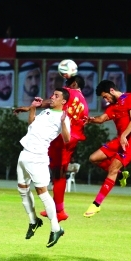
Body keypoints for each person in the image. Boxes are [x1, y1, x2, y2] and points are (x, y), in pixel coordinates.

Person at [13, 89, 70, 247]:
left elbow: (67, 139)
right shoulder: (46, 112)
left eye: (56, 96)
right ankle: (33, 220)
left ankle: (56, 228)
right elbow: (31, 124)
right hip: (25, 154)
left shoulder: (63, 117)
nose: (52, 97)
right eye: (53, 94)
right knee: (22, 189)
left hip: (37, 157)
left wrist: (64, 122)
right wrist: (33, 107)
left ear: (63, 102)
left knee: (42, 193)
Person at [84, 79, 131, 218]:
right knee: (93, 158)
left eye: (105, 96)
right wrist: (88, 119)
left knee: (112, 169)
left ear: (112, 91)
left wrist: (124, 135)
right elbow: (101, 119)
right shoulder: (113, 106)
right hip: (121, 140)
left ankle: (96, 204)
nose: (105, 100)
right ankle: (120, 173)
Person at [41, 74, 88, 221]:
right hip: (72, 139)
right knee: (59, 172)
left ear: (73, 84)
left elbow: (51, 103)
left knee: (56, 173)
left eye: (67, 83)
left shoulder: (68, 93)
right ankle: (56, 209)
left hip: (61, 137)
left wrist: (33, 106)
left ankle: (59, 210)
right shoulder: (85, 104)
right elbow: (84, 121)